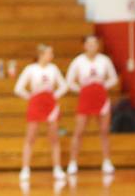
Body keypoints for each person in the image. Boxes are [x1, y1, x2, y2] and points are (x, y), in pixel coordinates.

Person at [14, 44, 68, 182]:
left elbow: (64, 86)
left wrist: (54, 96)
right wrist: (31, 97)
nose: (52, 56)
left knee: (54, 137)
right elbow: (18, 88)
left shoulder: (53, 68)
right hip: (36, 104)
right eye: (50, 53)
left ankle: (57, 168)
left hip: (50, 105)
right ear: (41, 54)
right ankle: (25, 168)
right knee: (30, 137)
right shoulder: (30, 69)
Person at [65, 35, 119, 175]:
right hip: (85, 98)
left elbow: (113, 78)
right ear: (84, 46)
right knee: (79, 130)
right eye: (89, 44)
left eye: (95, 43)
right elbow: (69, 81)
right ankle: (73, 162)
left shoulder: (104, 60)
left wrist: (102, 86)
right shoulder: (78, 61)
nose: (92, 46)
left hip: (101, 97)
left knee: (104, 130)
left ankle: (107, 161)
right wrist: (82, 90)